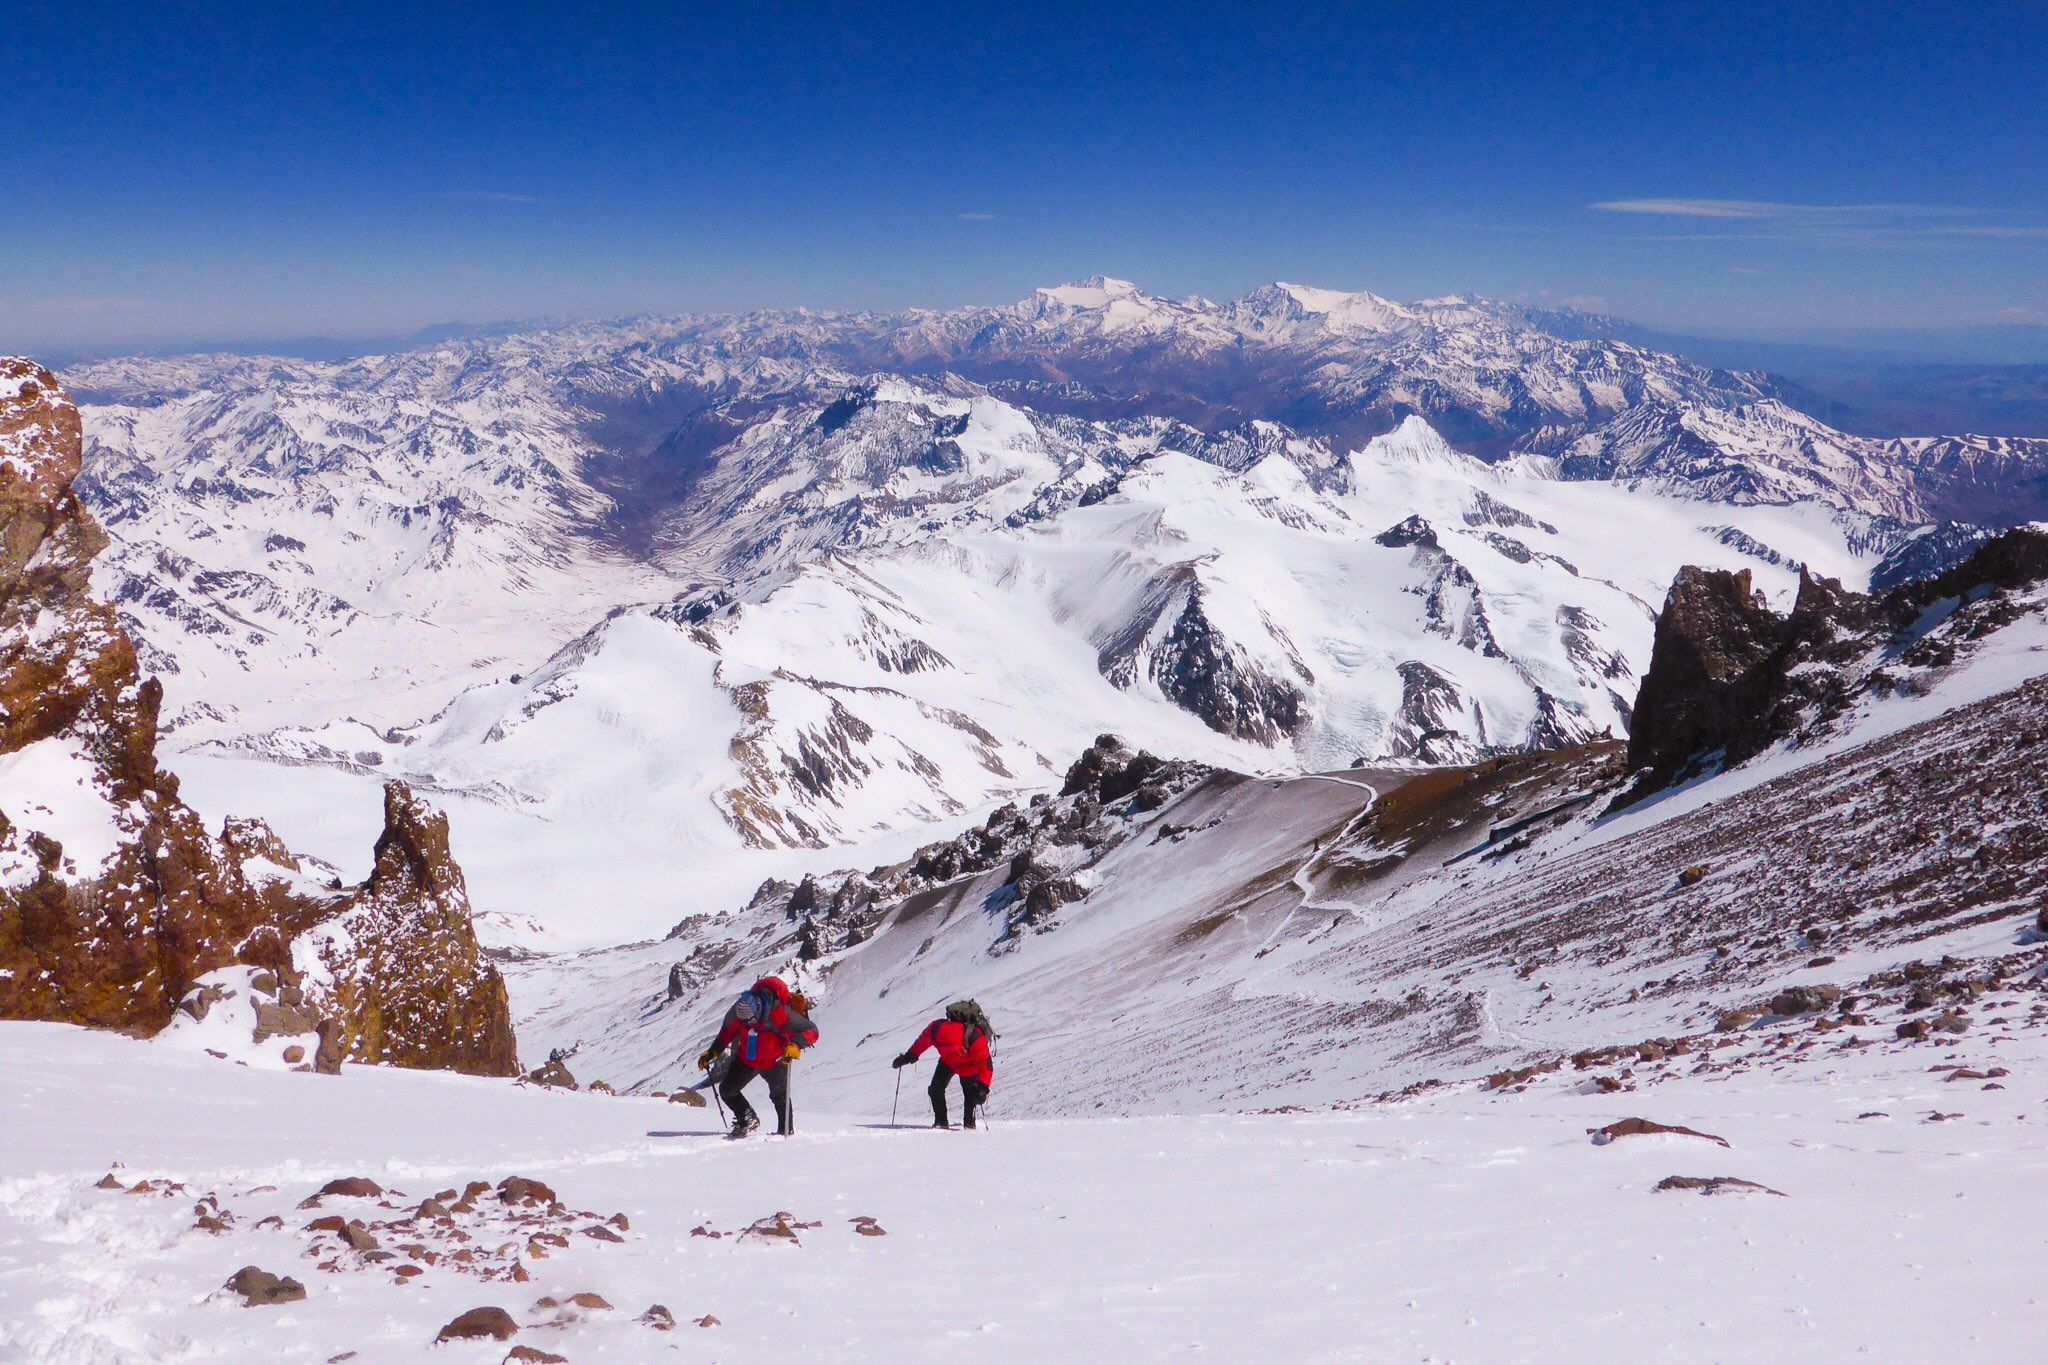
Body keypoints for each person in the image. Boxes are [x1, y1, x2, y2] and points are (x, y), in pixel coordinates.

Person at [697, 975, 818, 1138]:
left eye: (750, 1022)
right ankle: (748, 1119)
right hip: (750, 1057)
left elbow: (812, 1031)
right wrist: (713, 1052)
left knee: (779, 1097)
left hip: (774, 1060)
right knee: (727, 1090)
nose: (746, 1025)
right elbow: (728, 1031)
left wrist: (795, 1044)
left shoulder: (780, 1013)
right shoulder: (740, 1009)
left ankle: (785, 1132)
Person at [893, 1000, 994, 1129]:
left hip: (954, 1063)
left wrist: (909, 1057)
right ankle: (969, 1126)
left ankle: (942, 1122)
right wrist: (982, 1088)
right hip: (961, 1064)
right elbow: (986, 1065)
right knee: (971, 1095)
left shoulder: (935, 1029)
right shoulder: (973, 1037)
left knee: (936, 1089)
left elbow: (921, 1043)